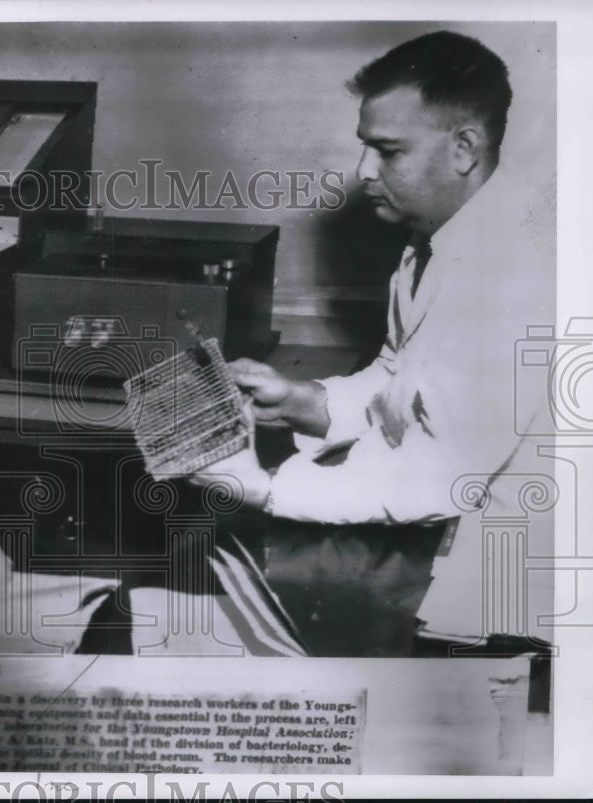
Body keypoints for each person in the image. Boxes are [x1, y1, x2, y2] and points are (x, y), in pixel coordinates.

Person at [189, 31, 554, 656]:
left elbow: (443, 476)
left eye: (388, 152)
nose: (364, 172)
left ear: (465, 147)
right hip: (438, 532)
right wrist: (306, 400)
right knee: (220, 562)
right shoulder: (432, 241)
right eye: (366, 148)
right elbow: (399, 377)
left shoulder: (516, 273)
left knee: (221, 567)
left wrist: (267, 488)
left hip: (495, 587)